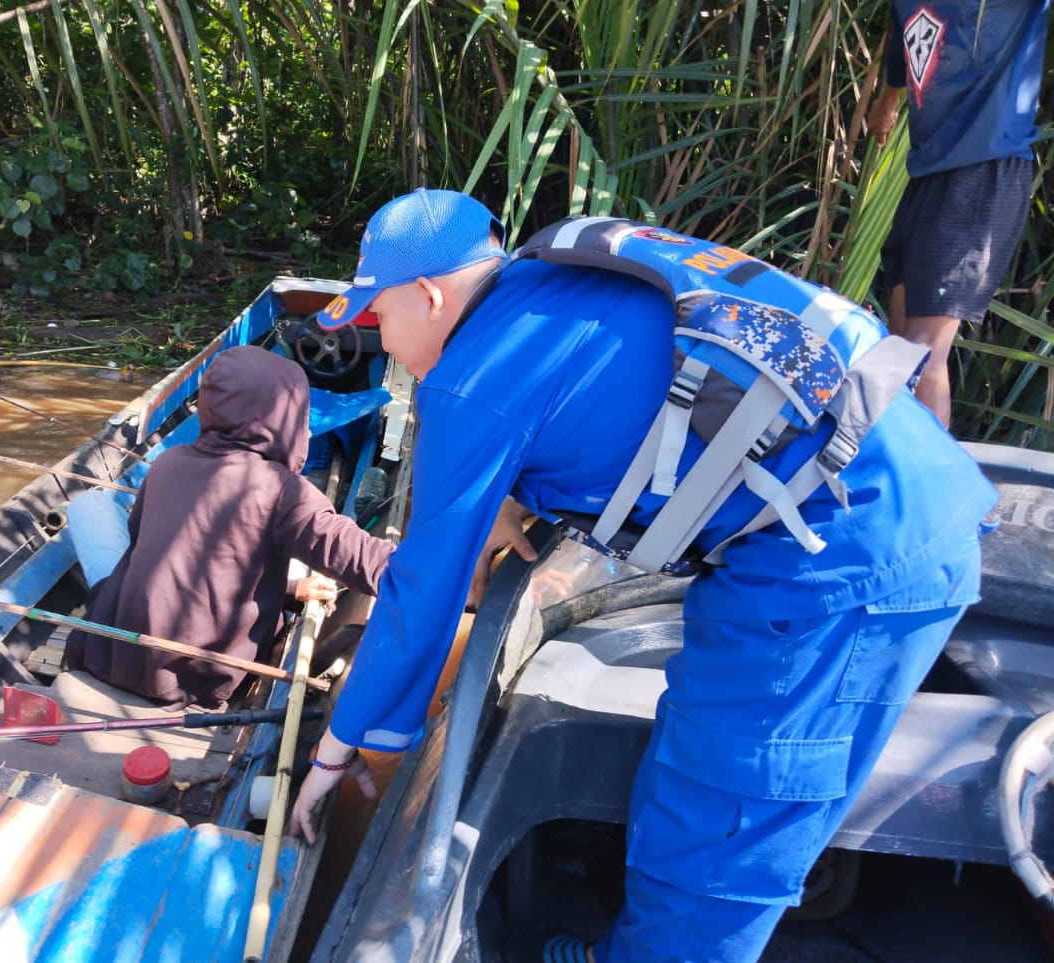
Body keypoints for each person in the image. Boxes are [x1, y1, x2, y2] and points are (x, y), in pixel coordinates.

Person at [288, 188, 999, 962]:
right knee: (688, 758)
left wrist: (336, 749)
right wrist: (510, 495)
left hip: (840, 542)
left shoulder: (470, 378)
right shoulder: (540, 281)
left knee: (725, 817)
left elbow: (416, 599)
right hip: (882, 470)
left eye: (377, 318)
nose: (382, 343)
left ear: (427, 297)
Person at [63, 344, 394, 711]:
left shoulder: (167, 463)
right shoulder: (286, 492)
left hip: (109, 649)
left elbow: (147, 560)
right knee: (289, 553)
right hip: (193, 679)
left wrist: (292, 589)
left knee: (91, 504)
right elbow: (367, 562)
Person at [864, 0, 1047, 428]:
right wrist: (887, 103)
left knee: (921, 354)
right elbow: (902, 48)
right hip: (928, 173)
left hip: (985, 168)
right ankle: (890, 472)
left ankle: (927, 490)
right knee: (900, 338)